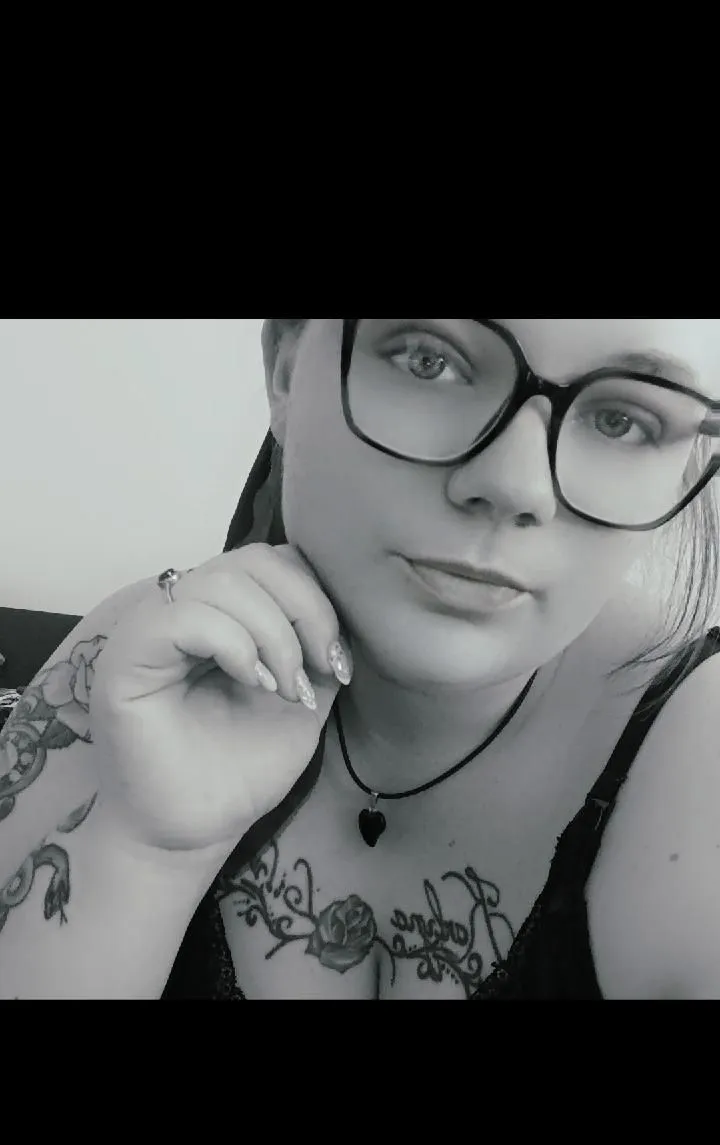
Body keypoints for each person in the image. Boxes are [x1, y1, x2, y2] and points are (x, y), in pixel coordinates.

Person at [2, 317, 720, 1001]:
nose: (515, 485)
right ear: (285, 369)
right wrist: (144, 849)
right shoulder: (133, 671)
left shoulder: (700, 752)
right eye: (428, 360)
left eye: (620, 420)